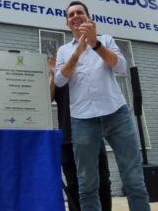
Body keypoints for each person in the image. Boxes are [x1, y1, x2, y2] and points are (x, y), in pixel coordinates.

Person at [54, 1, 150, 211]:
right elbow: (60, 80)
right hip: (82, 119)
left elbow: (121, 66)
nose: (76, 16)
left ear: (89, 18)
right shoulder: (63, 50)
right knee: (87, 184)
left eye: (80, 12)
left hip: (117, 115)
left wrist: (94, 43)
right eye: (71, 14)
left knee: (133, 179)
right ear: (67, 22)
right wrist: (77, 52)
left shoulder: (106, 40)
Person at [49, 56, 112, 211]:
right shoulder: (59, 80)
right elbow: (48, 98)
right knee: (74, 184)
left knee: (102, 181)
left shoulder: (87, 76)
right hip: (67, 140)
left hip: (93, 136)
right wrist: (52, 74)